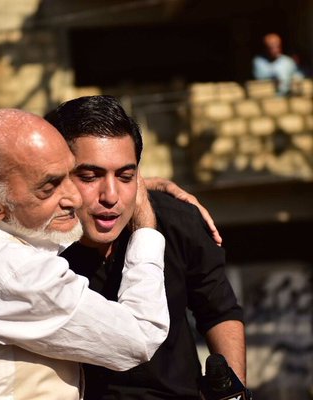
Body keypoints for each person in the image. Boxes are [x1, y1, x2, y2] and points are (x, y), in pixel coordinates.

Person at [0, 108, 170, 399]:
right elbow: (140, 336)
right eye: (50, 186)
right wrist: (146, 228)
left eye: (73, 175)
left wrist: (137, 186)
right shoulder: (8, 269)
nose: (74, 198)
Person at [45, 95, 246, 400]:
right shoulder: (33, 246)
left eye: (125, 176)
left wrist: (234, 394)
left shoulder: (177, 220)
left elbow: (219, 310)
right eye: (90, 176)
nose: (111, 195)